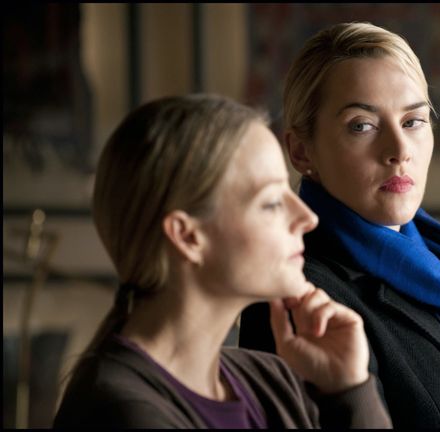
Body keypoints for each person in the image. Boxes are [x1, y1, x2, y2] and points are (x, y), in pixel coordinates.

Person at [239, 22, 440, 429]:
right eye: (362, 125)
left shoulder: (436, 271)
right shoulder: (294, 298)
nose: (399, 150)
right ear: (301, 152)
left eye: (413, 121)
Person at [53, 94, 392, 428]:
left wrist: (347, 388)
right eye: (272, 203)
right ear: (187, 237)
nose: (307, 218)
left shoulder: (272, 380)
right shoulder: (120, 412)